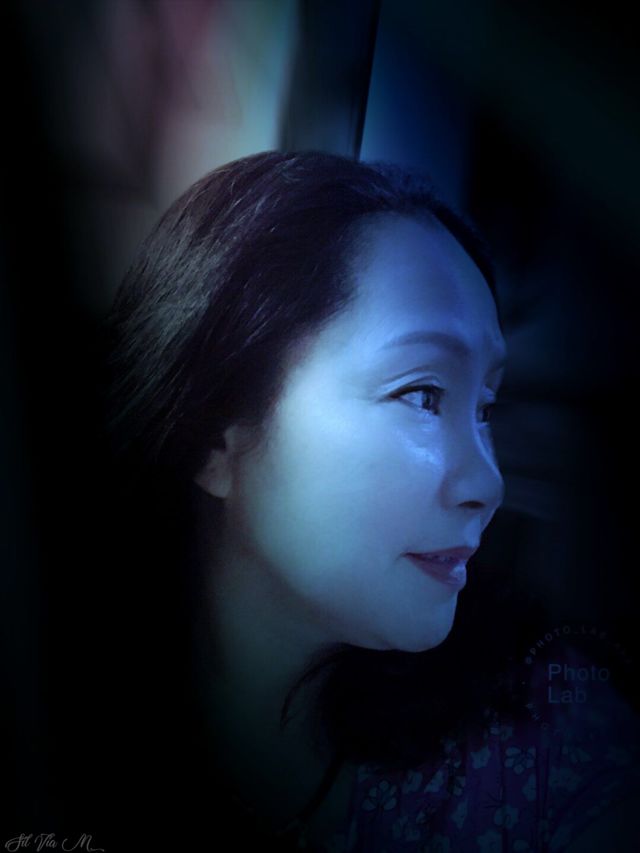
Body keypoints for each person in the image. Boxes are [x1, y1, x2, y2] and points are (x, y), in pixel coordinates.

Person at [101, 151, 640, 851]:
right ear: (213, 436)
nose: (489, 484)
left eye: (484, 407)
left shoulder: (537, 738)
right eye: (423, 393)